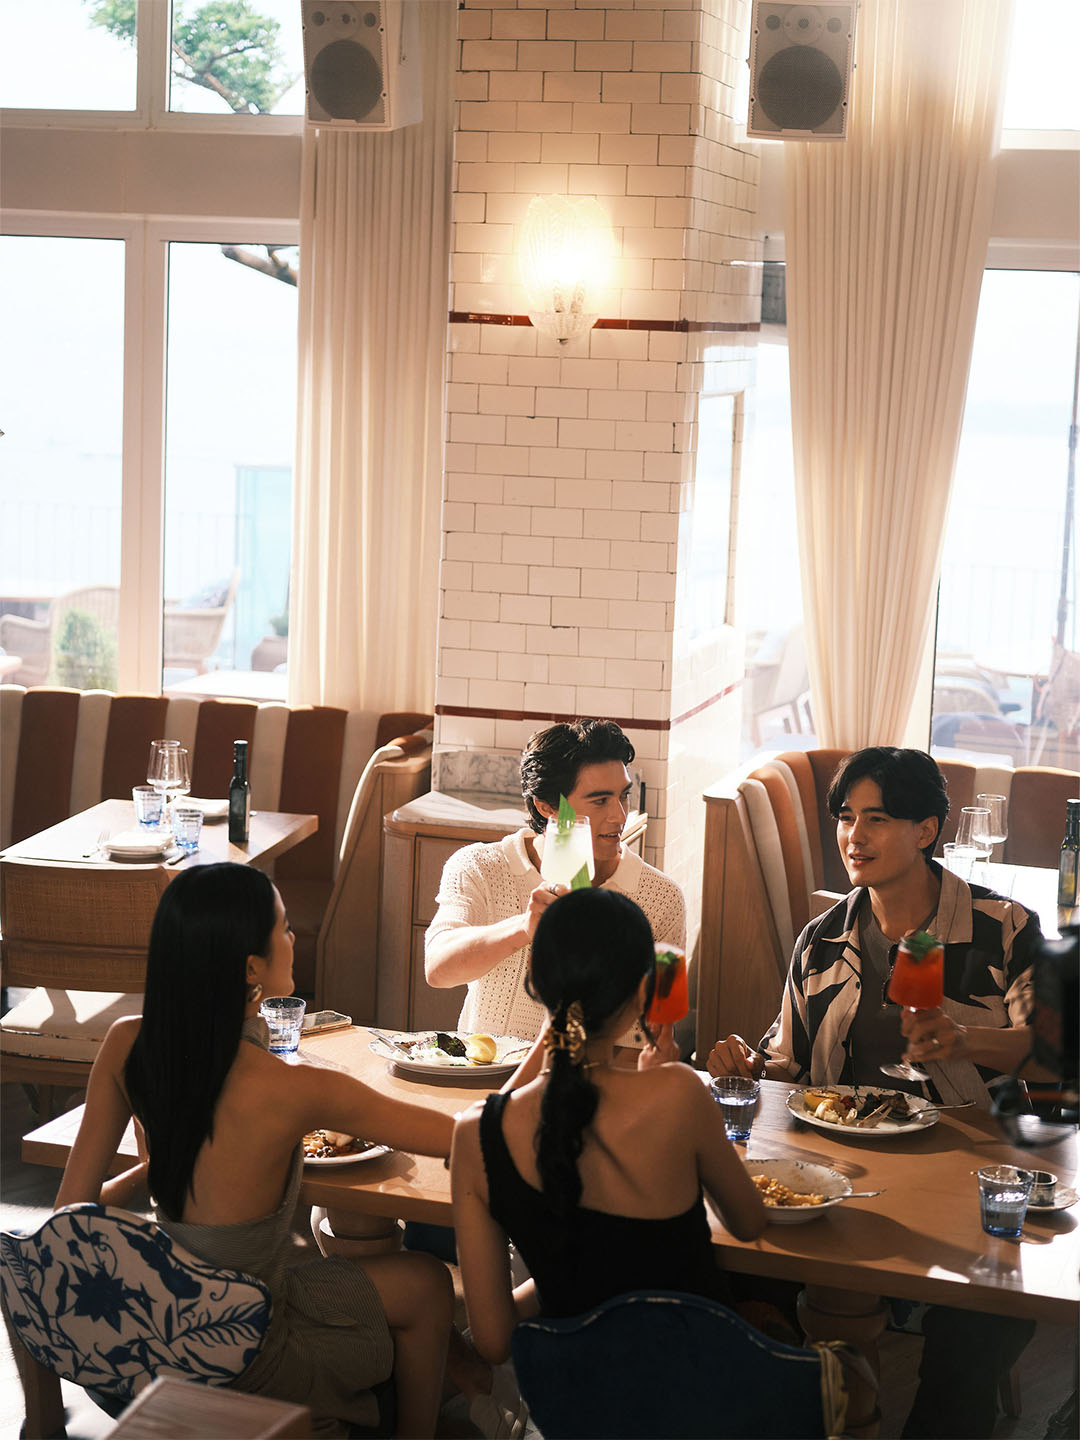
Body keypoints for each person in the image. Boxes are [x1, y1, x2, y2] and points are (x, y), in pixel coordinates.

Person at [56, 863, 465, 1439]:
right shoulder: (294, 1087)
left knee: (337, 1275)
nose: (294, 938)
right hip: (248, 1351)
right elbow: (457, 1134)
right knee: (427, 1283)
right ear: (253, 967)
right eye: (285, 928)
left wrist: (154, 1177)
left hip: (150, 1342)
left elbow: (69, 1217)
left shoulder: (128, 1042)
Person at [707, 746, 1045, 1440]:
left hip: (966, 1178)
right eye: (845, 817)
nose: (853, 837)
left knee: (981, 1327)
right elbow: (789, 1070)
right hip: (845, 1181)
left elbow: (1046, 1045)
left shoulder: (1003, 927)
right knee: (727, 1273)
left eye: (878, 819)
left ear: (927, 830)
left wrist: (965, 1042)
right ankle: (835, 1396)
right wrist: (740, 1061)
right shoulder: (824, 939)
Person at [451, 887, 765, 1365]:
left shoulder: (476, 1134)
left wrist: (565, 1270)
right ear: (643, 990)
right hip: (697, 1393)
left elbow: (493, 1341)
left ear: (534, 978)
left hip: (572, 1406)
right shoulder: (678, 1093)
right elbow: (748, 1223)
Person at [426, 719, 686, 1049]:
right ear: (546, 806)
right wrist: (524, 927)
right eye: (600, 800)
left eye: (624, 796)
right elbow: (437, 969)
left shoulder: (664, 898)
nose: (620, 816)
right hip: (489, 1077)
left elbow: (663, 1032)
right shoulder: (478, 866)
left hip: (604, 1088)